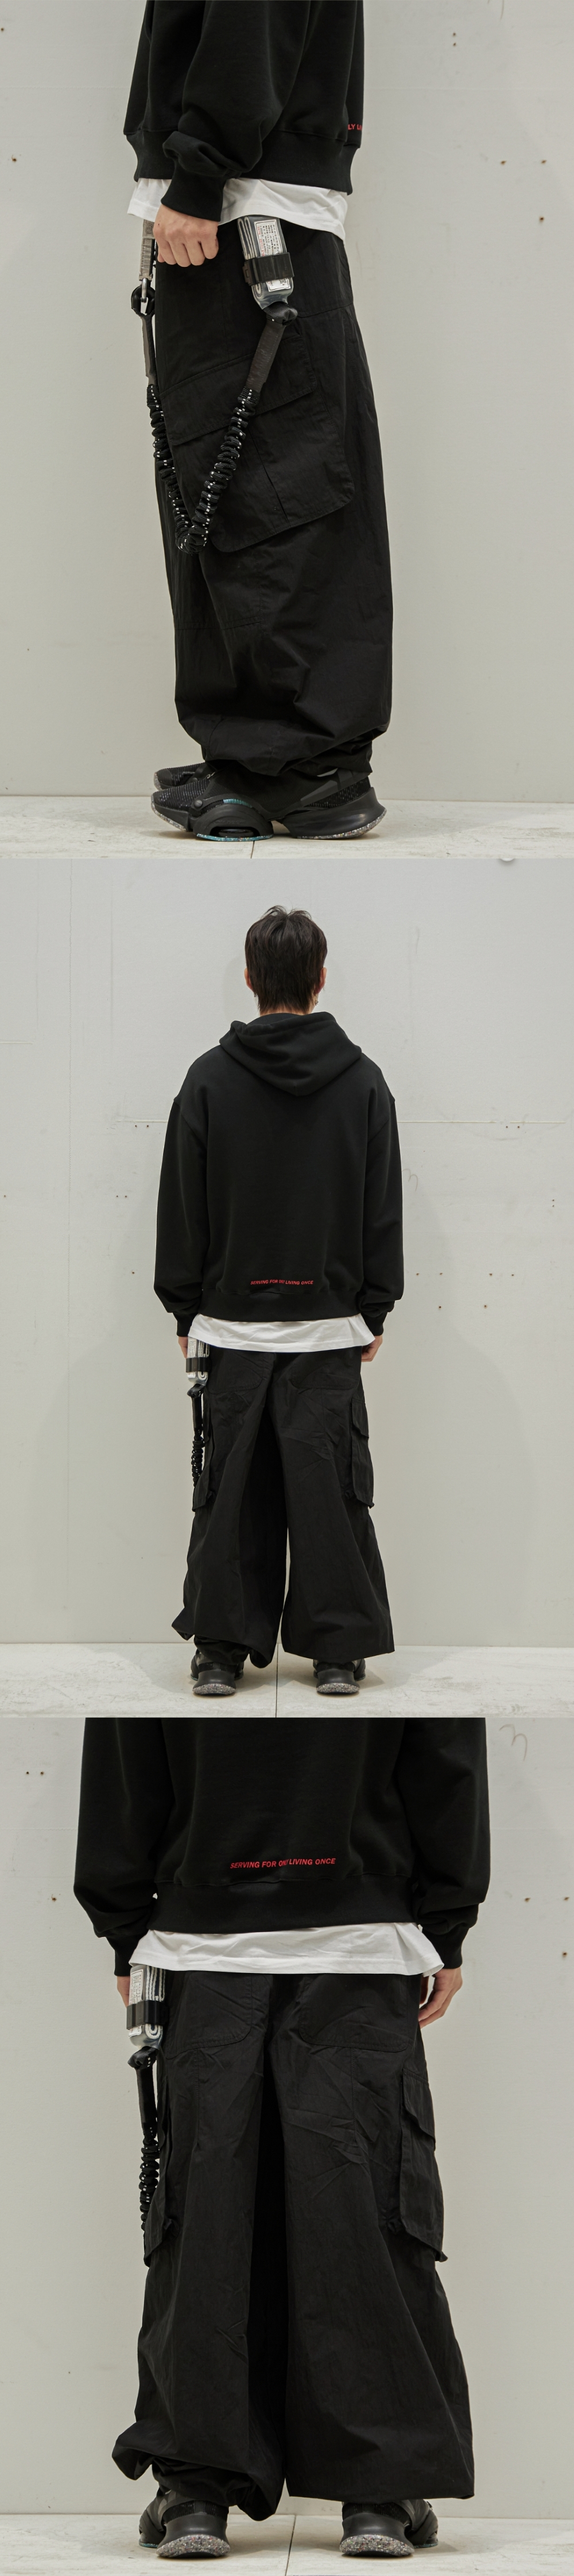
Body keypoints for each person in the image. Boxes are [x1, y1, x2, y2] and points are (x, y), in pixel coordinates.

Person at [74, 1713, 490, 2562]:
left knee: (206, 2216)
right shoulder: (396, 1668)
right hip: (359, 1943)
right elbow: (444, 1759)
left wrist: (126, 1931)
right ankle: (378, 2494)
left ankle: (195, 2492)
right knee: (365, 2214)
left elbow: (123, 1765)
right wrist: (445, 1925)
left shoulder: (166, 1673)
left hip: (202, 1944)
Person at [125, 1, 393, 840]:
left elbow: (252, 16)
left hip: (242, 203)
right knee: (237, 487)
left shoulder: (218, 184)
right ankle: (261, 754)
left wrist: (199, 174)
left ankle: (303, 769)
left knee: (270, 491)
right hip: (247, 198)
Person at [153, 904, 403, 1696]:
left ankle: (220, 1651)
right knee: (331, 1496)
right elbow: (381, 1205)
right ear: (321, 978)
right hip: (328, 1326)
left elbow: (181, 1203)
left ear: (251, 978)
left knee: (230, 1499)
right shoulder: (362, 1081)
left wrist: (184, 1307)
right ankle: (337, 1653)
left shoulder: (208, 1079)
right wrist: (376, 1306)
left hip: (232, 1326)